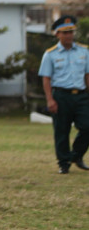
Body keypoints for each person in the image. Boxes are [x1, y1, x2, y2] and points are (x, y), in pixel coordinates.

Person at [38, 15, 89, 174]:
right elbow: (46, 78)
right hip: (61, 95)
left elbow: (87, 75)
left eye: (71, 32)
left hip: (81, 95)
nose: (69, 35)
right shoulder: (50, 54)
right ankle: (64, 163)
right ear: (57, 34)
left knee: (87, 126)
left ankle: (76, 155)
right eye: (65, 32)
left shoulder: (84, 51)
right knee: (62, 130)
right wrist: (50, 99)